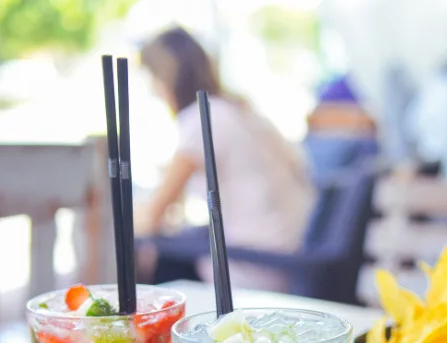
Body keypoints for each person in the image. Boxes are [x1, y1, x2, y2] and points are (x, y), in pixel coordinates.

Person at [135, 27, 315, 292]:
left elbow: (154, 215)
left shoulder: (204, 120)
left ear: (164, 79)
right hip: (290, 257)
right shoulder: (239, 109)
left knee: (156, 259)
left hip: (252, 266)